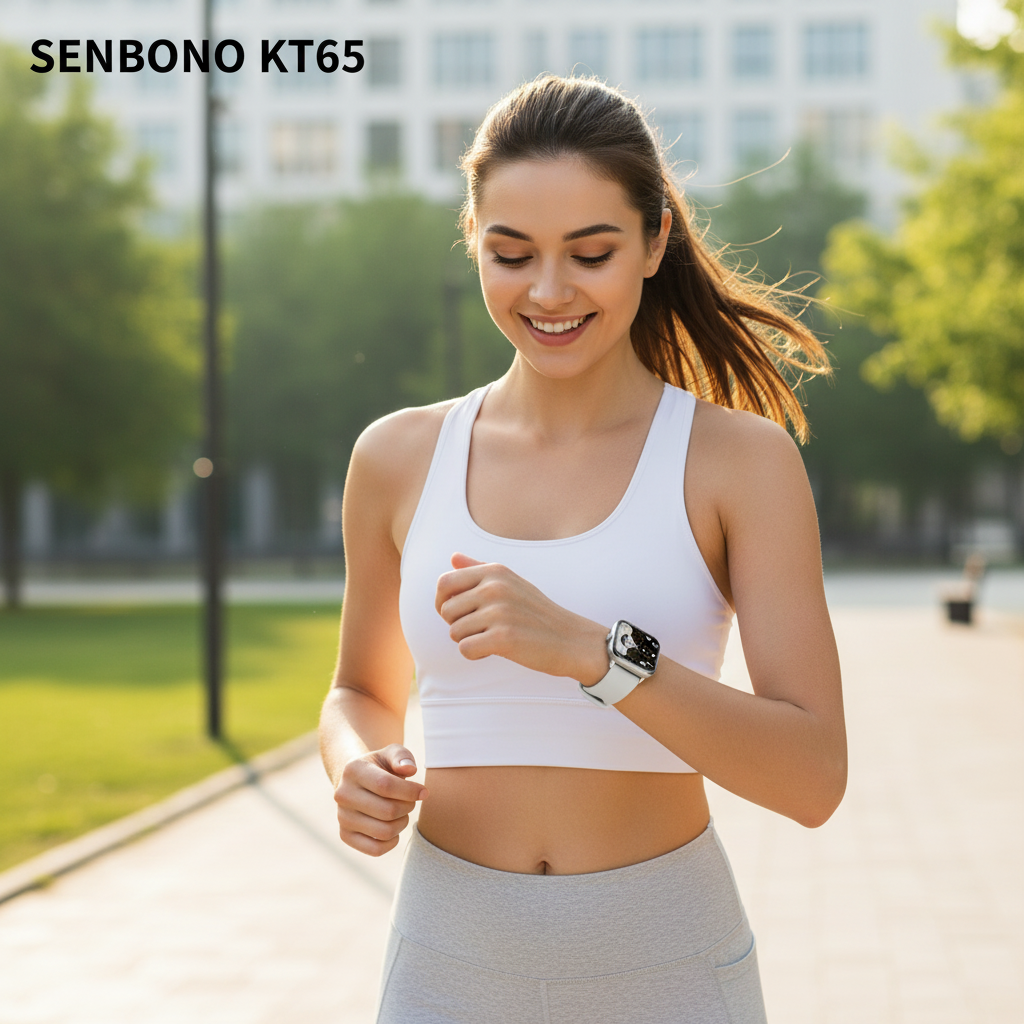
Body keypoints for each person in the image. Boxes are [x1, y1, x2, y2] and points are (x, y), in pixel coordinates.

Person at [319, 75, 846, 1024]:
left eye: (590, 253)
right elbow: (360, 690)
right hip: (450, 958)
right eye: (510, 253)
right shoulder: (398, 457)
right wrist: (355, 762)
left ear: (653, 244)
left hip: (667, 959)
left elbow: (811, 776)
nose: (549, 291)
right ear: (473, 244)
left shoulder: (738, 462)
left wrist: (600, 657)